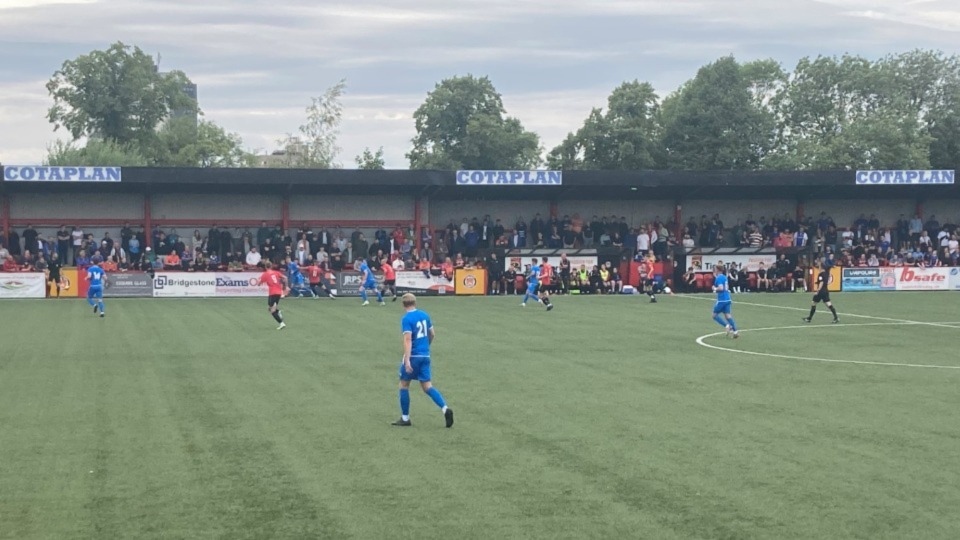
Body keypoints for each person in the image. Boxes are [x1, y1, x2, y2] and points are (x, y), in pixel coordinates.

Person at [392, 293, 454, 428]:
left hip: (413, 356)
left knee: (403, 385)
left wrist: (407, 360)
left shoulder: (406, 319)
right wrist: (426, 346)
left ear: (403, 305)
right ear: (415, 303)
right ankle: (445, 408)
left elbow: (408, 340)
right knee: (427, 387)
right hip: (425, 356)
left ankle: (405, 418)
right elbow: (432, 334)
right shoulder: (424, 315)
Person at [711, 264, 739, 338]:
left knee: (714, 315)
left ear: (718, 270)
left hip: (721, 300)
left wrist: (714, 289)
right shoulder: (724, 277)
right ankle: (735, 331)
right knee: (727, 315)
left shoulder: (719, 278)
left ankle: (727, 326)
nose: (714, 270)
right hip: (728, 299)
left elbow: (721, 288)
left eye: (715, 269)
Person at [258, 263, 289, 330]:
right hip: (278, 292)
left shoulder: (265, 274)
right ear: (271, 267)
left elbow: (259, 284)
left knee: (272, 310)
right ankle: (278, 312)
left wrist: (258, 281)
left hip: (272, 293)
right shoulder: (276, 272)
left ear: (266, 267)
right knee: (270, 307)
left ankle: (281, 323)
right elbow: (285, 277)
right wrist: (286, 287)